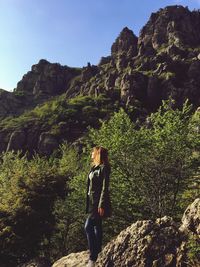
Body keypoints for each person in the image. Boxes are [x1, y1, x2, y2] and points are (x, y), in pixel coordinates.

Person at [84, 146, 112, 267]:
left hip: (97, 202)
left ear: (98, 154)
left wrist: (101, 204)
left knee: (88, 226)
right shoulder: (94, 167)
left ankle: (92, 257)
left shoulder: (104, 168)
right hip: (92, 201)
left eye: (93, 152)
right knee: (97, 226)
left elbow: (105, 187)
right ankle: (98, 252)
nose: (91, 153)